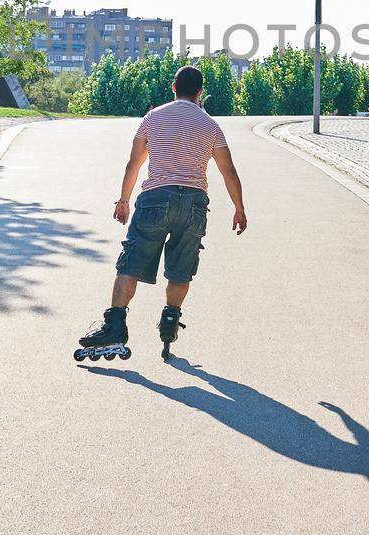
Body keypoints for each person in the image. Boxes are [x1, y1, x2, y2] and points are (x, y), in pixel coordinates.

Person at [76, 64, 247, 361]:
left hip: (155, 198)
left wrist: (123, 200)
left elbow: (134, 163)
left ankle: (115, 325)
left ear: (173, 87)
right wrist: (239, 208)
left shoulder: (153, 118)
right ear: (200, 91)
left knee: (130, 262)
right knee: (182, 267)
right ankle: (170, 320)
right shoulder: (210, 125)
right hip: (194, 203)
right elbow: (228, 171)